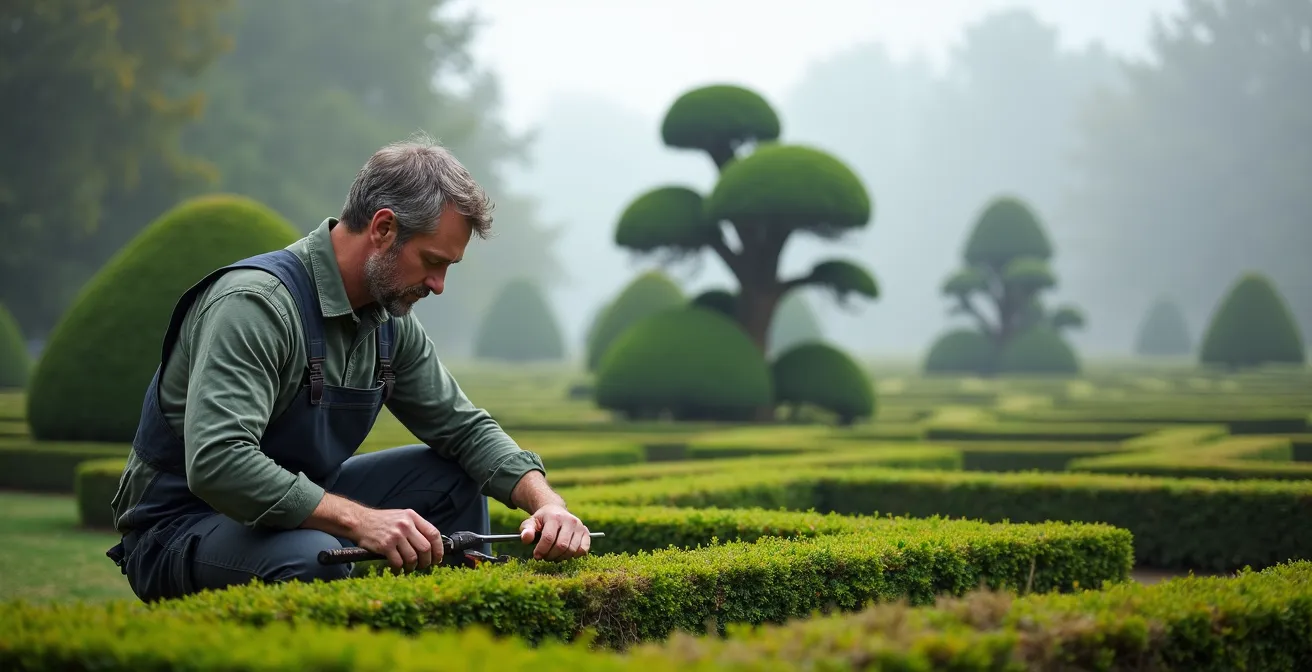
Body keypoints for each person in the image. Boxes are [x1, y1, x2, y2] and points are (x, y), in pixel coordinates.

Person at [105, 134, 591, 602]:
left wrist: (547, 503)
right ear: (383, 229)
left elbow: (464, 429)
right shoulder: (255, 306)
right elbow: (219, 463)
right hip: (179, 524)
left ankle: (456, 642)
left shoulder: (388, 321)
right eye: (431, 261)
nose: (439, 285)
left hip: (293, 508)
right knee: (315, 557)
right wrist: (361, 521)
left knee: (454, 478)